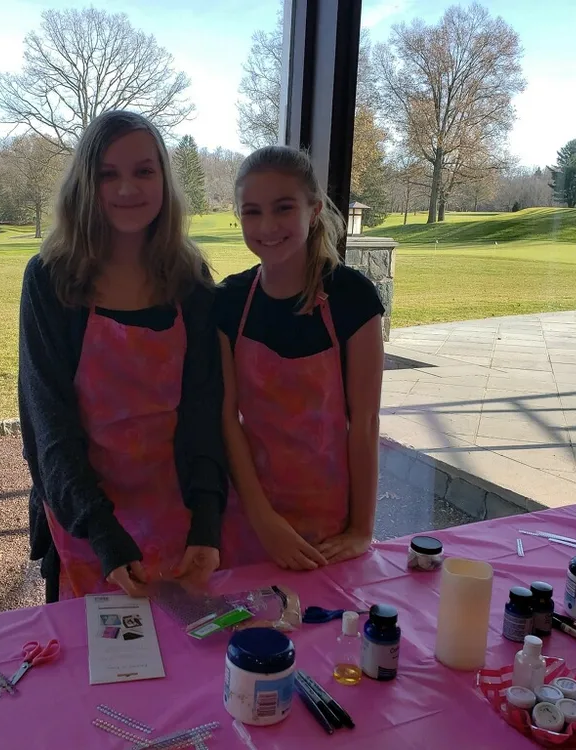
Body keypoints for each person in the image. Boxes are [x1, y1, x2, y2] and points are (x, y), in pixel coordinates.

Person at [19, 110, 227, 602]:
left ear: (164, 179)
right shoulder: (51, 279)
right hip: (85, 524)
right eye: (107, 174)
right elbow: (47, 422)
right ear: (85, 185)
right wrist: (101, 530)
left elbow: (205, 411)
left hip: (179, 520)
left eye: (143, 171)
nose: (127, 188)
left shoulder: (190, 278)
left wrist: (208, 519)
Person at [215, 146, 384, 571]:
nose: (267, 226)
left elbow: (364, 423)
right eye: (251, 212)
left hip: (329, 528)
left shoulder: (353, 298)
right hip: (247, 520)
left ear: (313, 210)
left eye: (283, 208)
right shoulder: (227, 301)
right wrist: (262, 519)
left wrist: (361, 529)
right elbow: (226, 420)